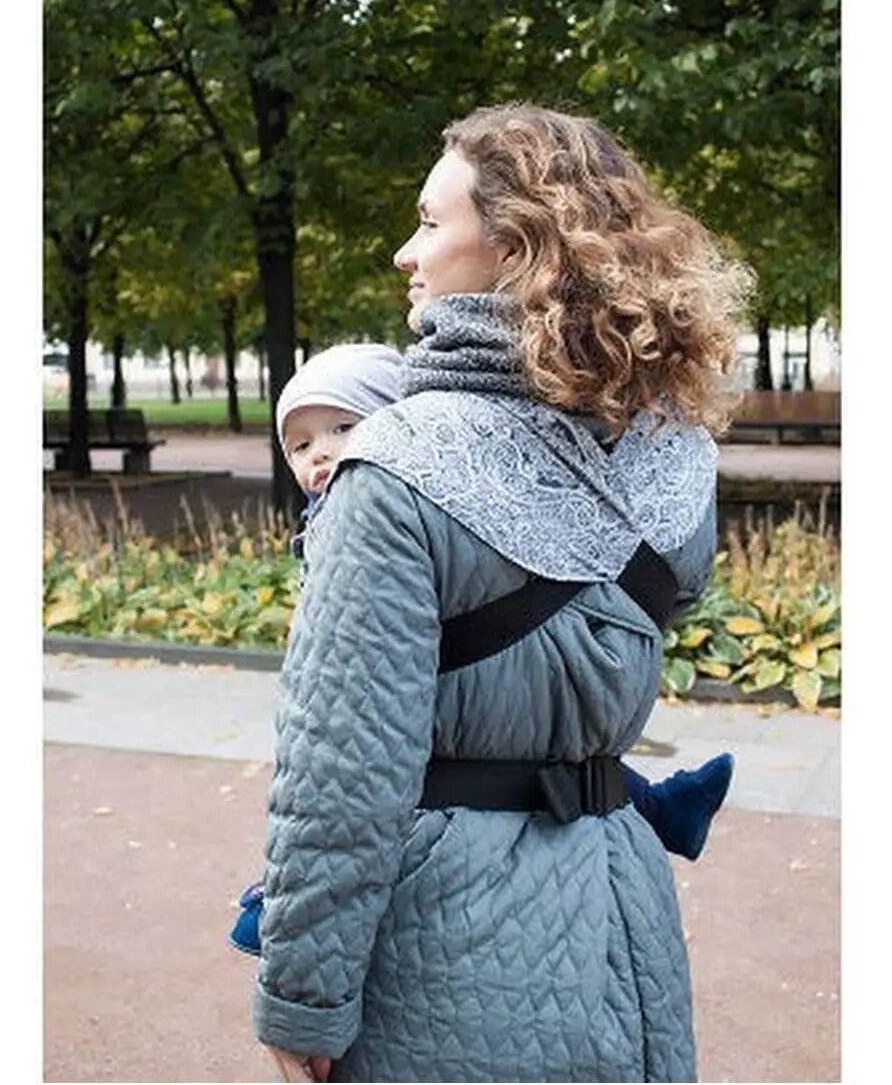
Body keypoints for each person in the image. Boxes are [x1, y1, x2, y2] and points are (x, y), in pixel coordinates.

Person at [253, 103, 752, 1083]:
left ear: (517, 246)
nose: (405, 252)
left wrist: (304, 996)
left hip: (447, 934)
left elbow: (343, 772)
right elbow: (651, 613)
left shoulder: (394, 469)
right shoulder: (674, 458)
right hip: (623, 908)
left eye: (429, 223)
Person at [230, 346, 735, 958]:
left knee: (365, 776)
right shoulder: (334, 520)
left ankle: (283, 901)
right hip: (439, 729)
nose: (320, 453)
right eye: (300, 445)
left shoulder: (406, 498)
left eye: (343, 427)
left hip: (448, 728)